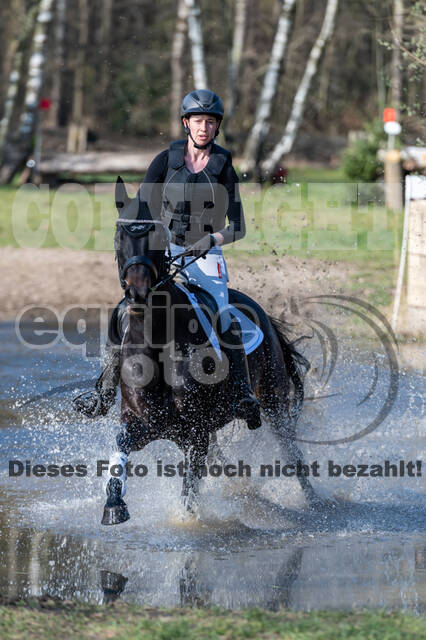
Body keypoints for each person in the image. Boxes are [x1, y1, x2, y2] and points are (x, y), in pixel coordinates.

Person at [73, 89, 261, 430]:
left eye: (210, 122)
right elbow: (143, 207)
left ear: (217, 127)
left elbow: (240, 227)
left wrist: (209, 240)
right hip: (163, 248)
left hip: (205, 254)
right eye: (198, 121)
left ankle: (241, 392)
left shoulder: (223, 167)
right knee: (126, 310)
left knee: (221, 314)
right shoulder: (165, 160)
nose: (204, 128)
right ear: (186, 123)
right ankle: (103, 391)